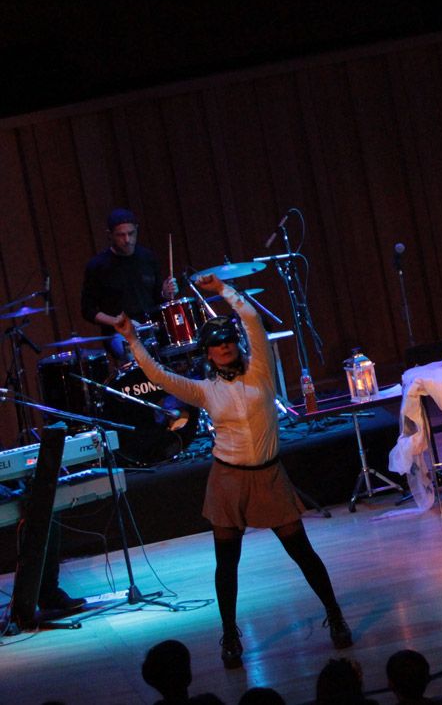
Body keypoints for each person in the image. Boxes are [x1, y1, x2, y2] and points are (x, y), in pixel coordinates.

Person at [113, 274, 351, 669]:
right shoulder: (205, 390)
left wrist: (223, 290)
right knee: (227, 562)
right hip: (228, 479)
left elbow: (253, 320)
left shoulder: (260, 372)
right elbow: (157, 376)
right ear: (207, 353)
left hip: (269, 476)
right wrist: (133, 340)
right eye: (215, 343)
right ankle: (229, 634)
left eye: (227, 340)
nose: (223, 346)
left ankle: (336, 615)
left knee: (302, 553)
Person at [81, 208, 177, 361]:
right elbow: (88, 310)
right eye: (121, 235)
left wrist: (165, 293)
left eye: (131, 234)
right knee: (138, 359)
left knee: (178, 350)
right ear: (109, 235)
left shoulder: (147, 257)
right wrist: (118, 322)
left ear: (136, 230)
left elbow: (158, 297)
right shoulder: (98, 266)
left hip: (151, 327)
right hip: (119, 333)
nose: (127, 240)